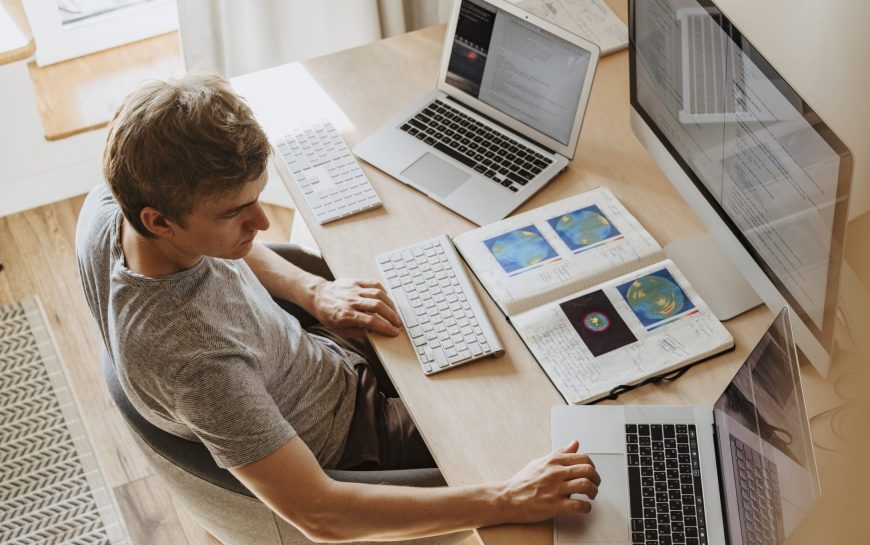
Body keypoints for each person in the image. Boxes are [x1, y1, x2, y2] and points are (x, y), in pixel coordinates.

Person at [76, 73, 600, 543]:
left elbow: (142, 128)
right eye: (236, 213)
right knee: (548, 427)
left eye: (259, 197)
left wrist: (312, 292)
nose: (261, 223)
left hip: (316, 358)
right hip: (355, 441)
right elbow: (321, 514)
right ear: (159, 221)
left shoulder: (114, 202)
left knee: (492, 311)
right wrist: (507, 499)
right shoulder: (195, 361)